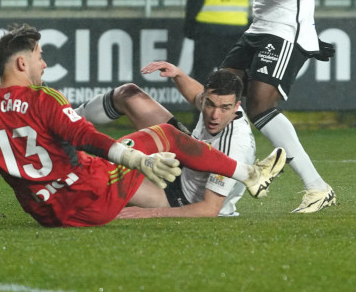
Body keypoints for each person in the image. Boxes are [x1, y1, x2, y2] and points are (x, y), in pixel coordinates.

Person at [0, 24, 286, 229]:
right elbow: (86, 137)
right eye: (39, 55)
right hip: (93, 197)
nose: (44, 61)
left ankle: (235, 177)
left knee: (139, 119)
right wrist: (136, 157)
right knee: (171, 135)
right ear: (22, 63)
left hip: (47, 214)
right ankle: (248, 174)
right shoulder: (44, 100)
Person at [218, 0, 336, 214]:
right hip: (259, 28)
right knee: (220, 93)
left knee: (259, 104)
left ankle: (316, 187)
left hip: (284, 29)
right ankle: (228, 186)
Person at [81, 65, 261, 217]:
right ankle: (67, 119)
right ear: (204, 97)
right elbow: (194, 96)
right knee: (129, 95)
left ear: (236, 107)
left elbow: (209, 209)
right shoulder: (219, 102)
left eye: (224, 108)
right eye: (210, 104)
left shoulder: (234, 147)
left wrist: (148, 213)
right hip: (186, 160)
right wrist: (178, 74)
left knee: (100, 182)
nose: (215, 115)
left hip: (180, 197)